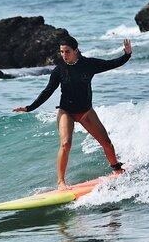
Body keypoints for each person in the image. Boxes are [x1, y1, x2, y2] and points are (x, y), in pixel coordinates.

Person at [13, 36, 132, 190]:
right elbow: (48, 91)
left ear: (76, 50)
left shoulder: (88, 64)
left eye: (67, 51)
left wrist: (127, 54)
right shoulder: (59, 70)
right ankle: (61, 182)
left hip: (85, 111)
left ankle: (116, 169)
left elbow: (112, 64)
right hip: (66, 112)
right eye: (61, 52)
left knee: (106, 143)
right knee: (65, 143)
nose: (64, 55)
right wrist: (30, 107)